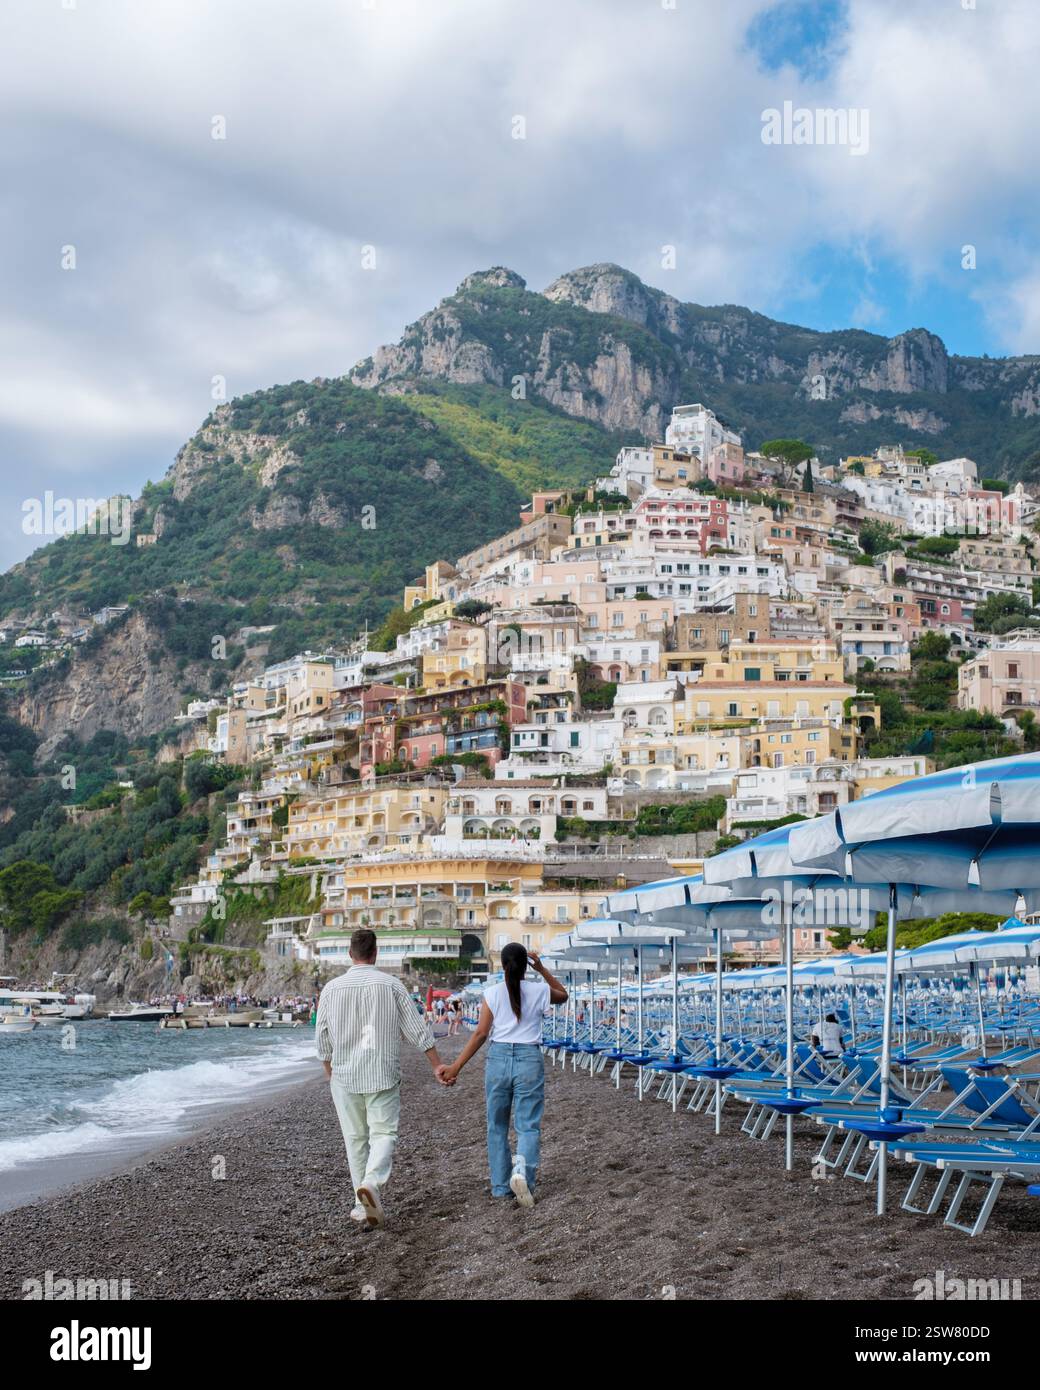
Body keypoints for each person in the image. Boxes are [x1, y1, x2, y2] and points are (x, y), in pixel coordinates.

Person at [316, 928, 449, 1229]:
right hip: (382, 1071)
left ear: (350, 955)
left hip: (345, 1075)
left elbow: (322, 1039)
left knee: (355, 1140)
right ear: (376, 953)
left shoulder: (331, 989)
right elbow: (417, 1029)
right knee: (384, 1134)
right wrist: (436, 1064)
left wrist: (329, 1073)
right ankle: (372, 1183)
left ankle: (360, 1204)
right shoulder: (391, 985)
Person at [438, 945, 567, 1207]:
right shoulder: (539, 990)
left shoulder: (493, 993)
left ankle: (500, 1187)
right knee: (527, 1125)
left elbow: (481, 1034)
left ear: (502, 965)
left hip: (498, 1060)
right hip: (529, 1058)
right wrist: (542, 969)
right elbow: (563, 995)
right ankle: (523, 1177)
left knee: (496, 1125)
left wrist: (455, 1067)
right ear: (524, 965)